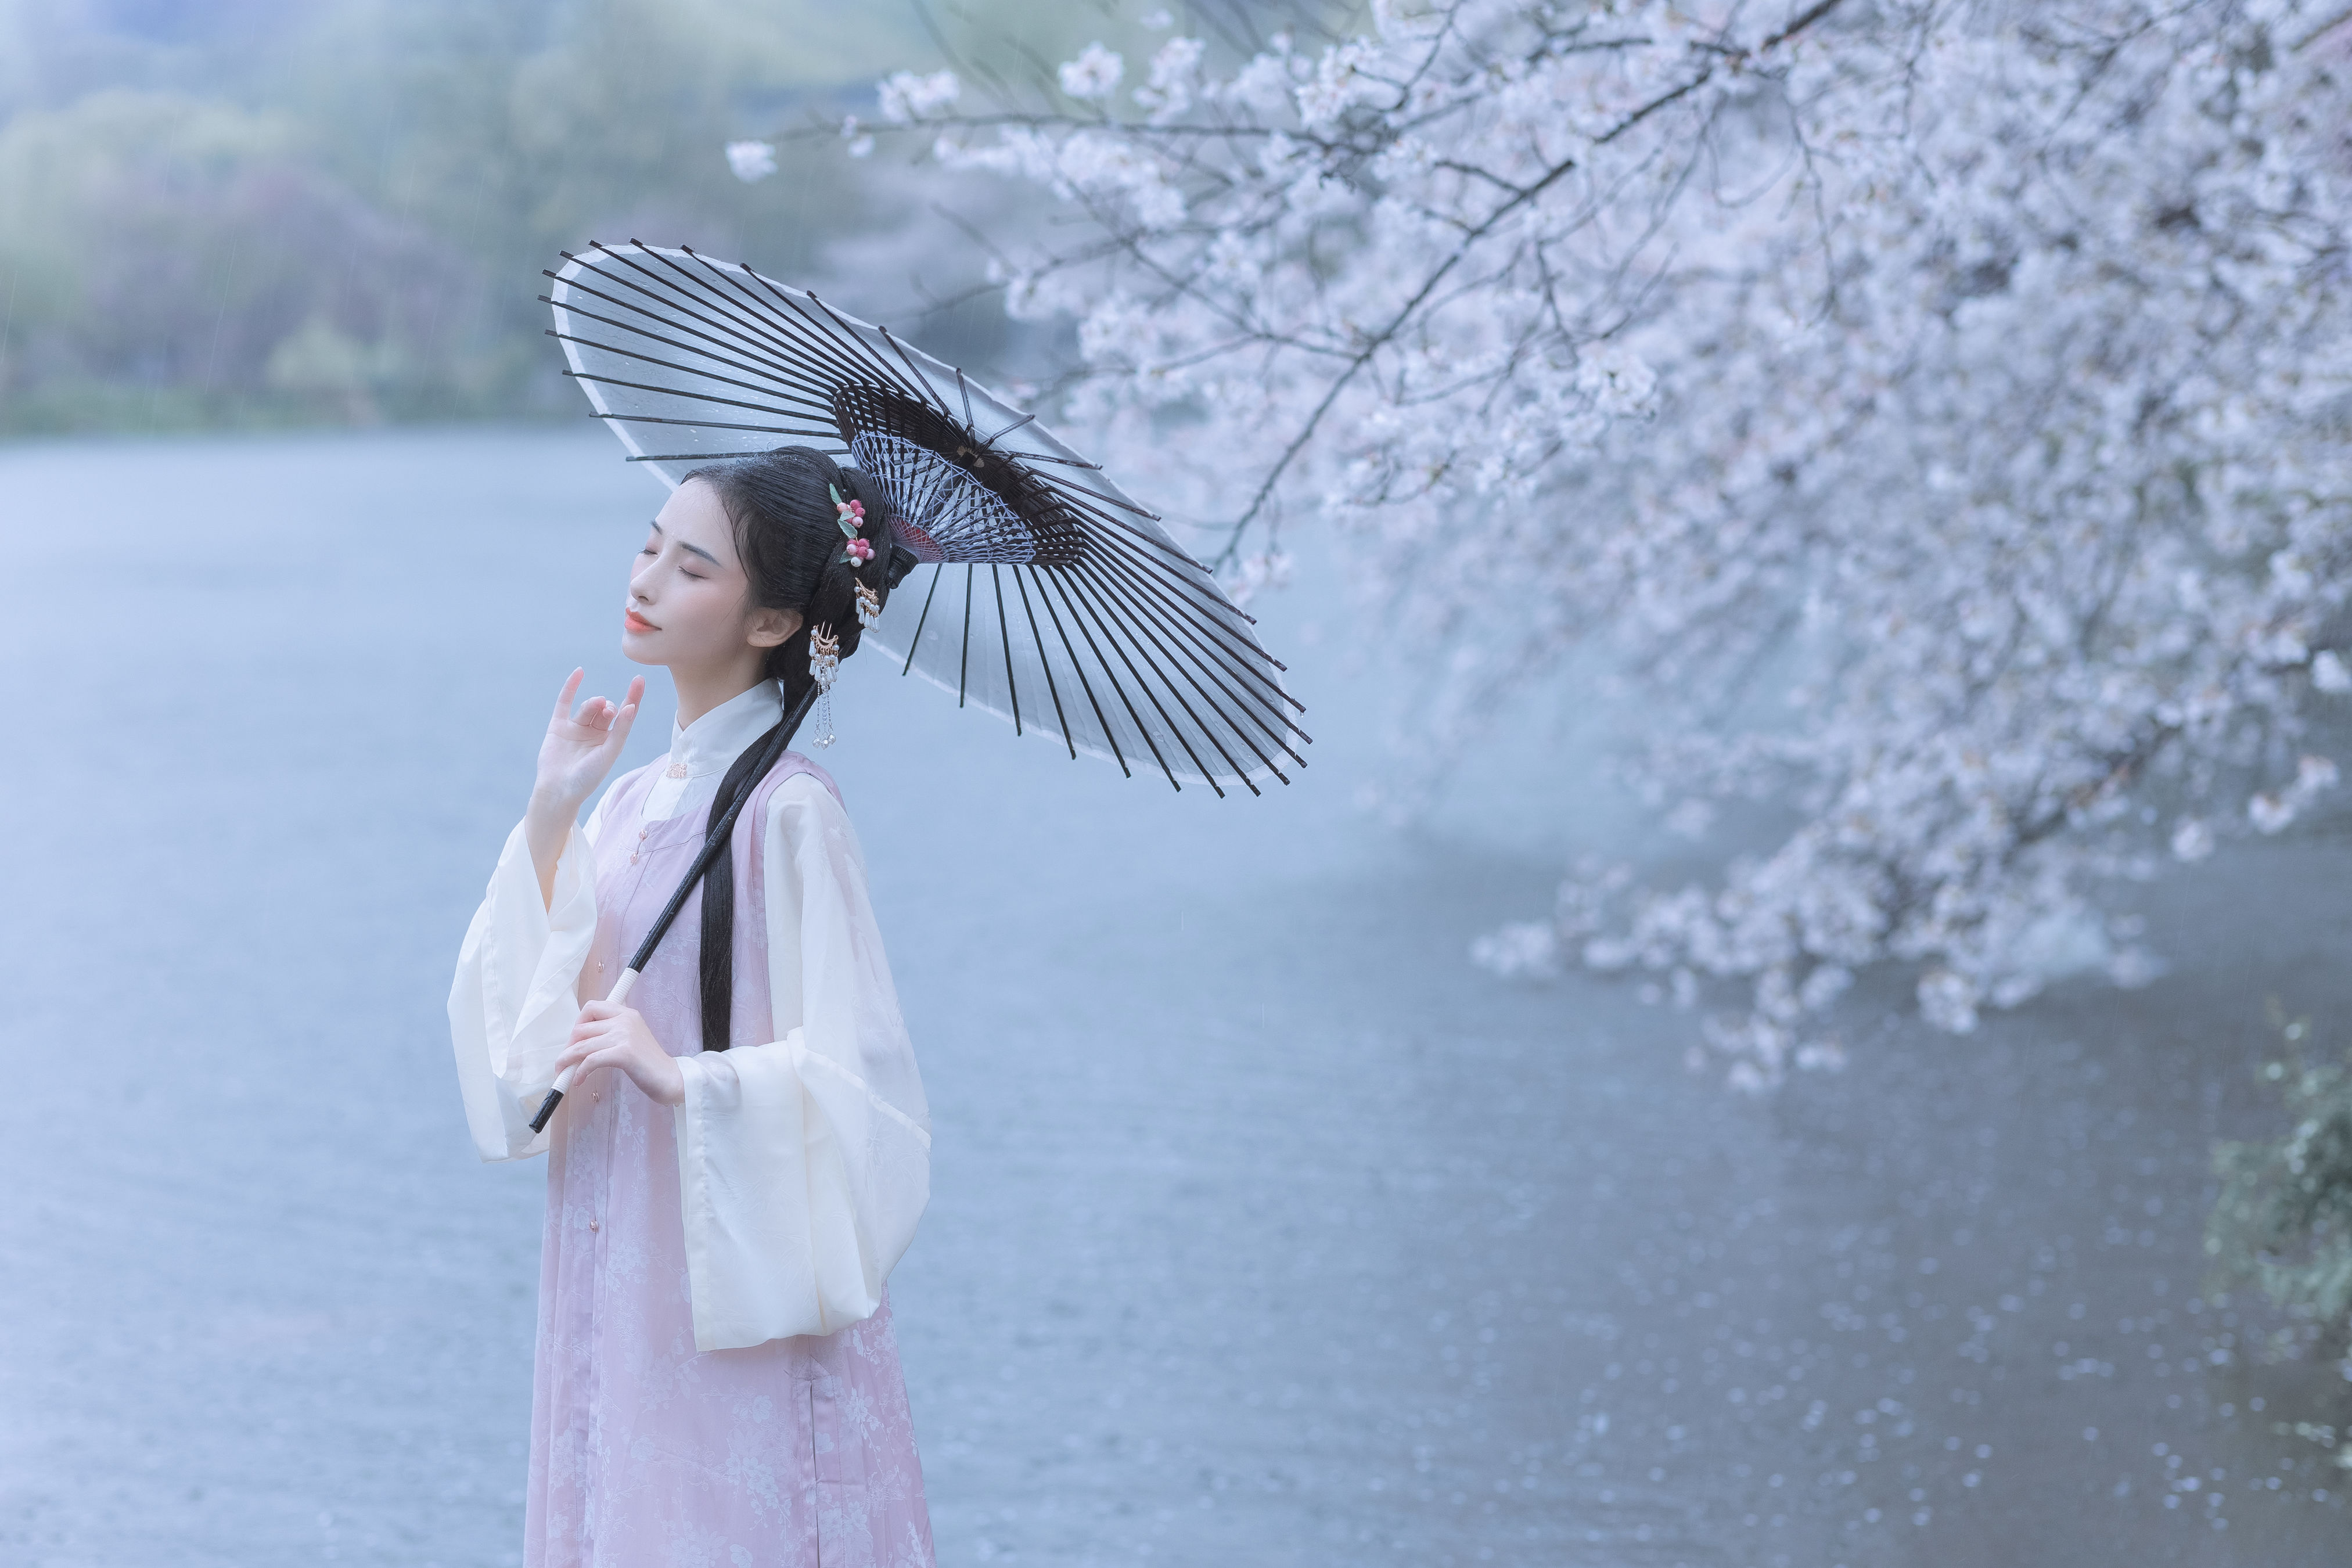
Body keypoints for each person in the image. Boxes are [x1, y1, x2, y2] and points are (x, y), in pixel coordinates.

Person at [447, 447, 934, 1567]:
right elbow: (526, 1053)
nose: (649, 578)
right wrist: (550, 815)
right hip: (615, 1244)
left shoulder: (788, 813)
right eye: (649, 546)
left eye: (692, 567)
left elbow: (869, 1094)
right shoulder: (626, 802)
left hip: (730, 1274)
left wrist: (688, 1078)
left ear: (769, 623)